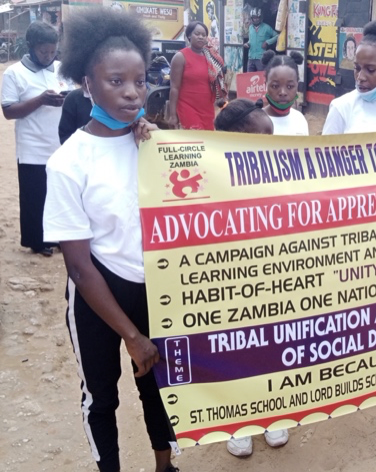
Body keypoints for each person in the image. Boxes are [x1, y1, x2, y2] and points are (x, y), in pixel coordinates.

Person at [43, 8, 178, 472]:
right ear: (87, 84)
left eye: (139, 80)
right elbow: (79, 267)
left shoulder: (153, 144)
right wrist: (132, 336)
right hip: (98, 294)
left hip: (153, 287)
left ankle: (165, 466)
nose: (132, 92)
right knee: (101, 397)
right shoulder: (68, 162)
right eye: (116, 80)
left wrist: (158, 150)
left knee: (159, 387)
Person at [214, 97, 290, 457]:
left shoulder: (281, 171)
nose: (270, 144)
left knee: (274, 347)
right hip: (233, 281)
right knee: (238, 348)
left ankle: (274, 414)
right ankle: (237, 422)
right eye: (263, 137)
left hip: (275, 277)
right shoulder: (211, 172)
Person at [2, 21, 66, 256]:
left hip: (60, 143)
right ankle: (37, 241)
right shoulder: (14, 73)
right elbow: (9, 111)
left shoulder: (61, 68)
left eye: (52, 51)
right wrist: (40, 100)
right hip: (32, 145)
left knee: (59, 194)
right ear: (30, 46)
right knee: (35, 196)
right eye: (43, 52)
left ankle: (58, 237)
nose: (49, 56)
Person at [168, 21, 226, 130]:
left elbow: (217, 81)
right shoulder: (180, 57)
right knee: (194, 140)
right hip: (187, 107)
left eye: (204, 35)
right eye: (197, 34)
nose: (201, 37)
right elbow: (174, 88)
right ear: (189, 35)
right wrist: (172, 115)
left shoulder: (211, 57)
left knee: (207, 141)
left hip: (207, 108)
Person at [261, 50, 309, 135]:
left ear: (297, 85)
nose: (283, 92)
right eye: (275, 86)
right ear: (266, 85)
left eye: (290, 86)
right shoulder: (255, 122)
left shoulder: (300, 120)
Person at [244, 8, 278, 72]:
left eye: (257, 18)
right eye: (254, 18)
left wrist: (267, 42)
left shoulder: (266, 27)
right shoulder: (250, 27)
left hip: (261, 58)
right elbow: (250, 40)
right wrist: (247, 44)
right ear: (252, 18)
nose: (256, 19)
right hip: (251, 57)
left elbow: (277, 36)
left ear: (260, 18)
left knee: (262, 77)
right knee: (249, 78)